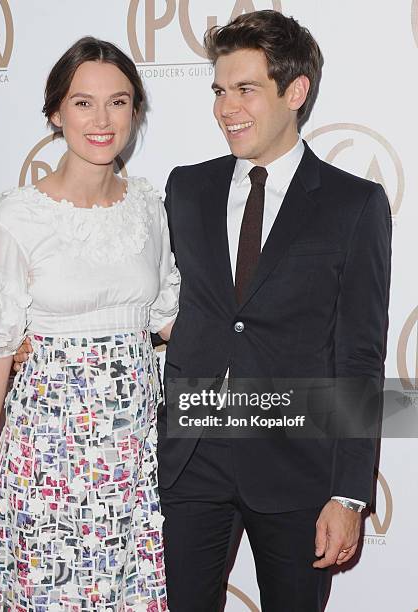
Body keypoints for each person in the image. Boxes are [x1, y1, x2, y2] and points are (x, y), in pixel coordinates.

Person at [156, 10, 391, 612]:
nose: (226, 107)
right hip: (192, 458)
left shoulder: (354, 205)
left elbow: (359, 356)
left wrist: (348, 493)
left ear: (295, 91)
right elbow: (150, 300)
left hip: (296, 468)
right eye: (219, 90)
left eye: (246, 89)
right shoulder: (187, 188)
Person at [0, 36, 178, 611]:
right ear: (56, 113)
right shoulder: (18, 216)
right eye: (83, 103)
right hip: (47, 453)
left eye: (119, 101)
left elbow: (167, 322)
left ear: (135, 110)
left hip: (132, 452)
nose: (102, 120)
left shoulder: (149, 209)